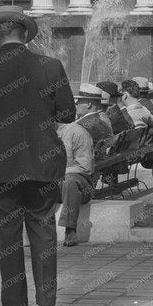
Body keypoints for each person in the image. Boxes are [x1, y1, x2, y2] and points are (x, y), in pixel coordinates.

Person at [0, 7, 74, 306]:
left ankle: (14, 305)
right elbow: (67, 114)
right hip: (43, 162)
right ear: (25, 34)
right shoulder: (50, 66)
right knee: (44, 230)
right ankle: (48, 305)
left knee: (9, 236)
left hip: (0, 165)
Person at [57, 89, 99, 247]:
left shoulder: (77, 133)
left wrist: (56, 174)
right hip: (53, 185)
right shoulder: (41, 134)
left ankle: (70, 229)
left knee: (69, 181)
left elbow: (85, 167)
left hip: (81, 186)